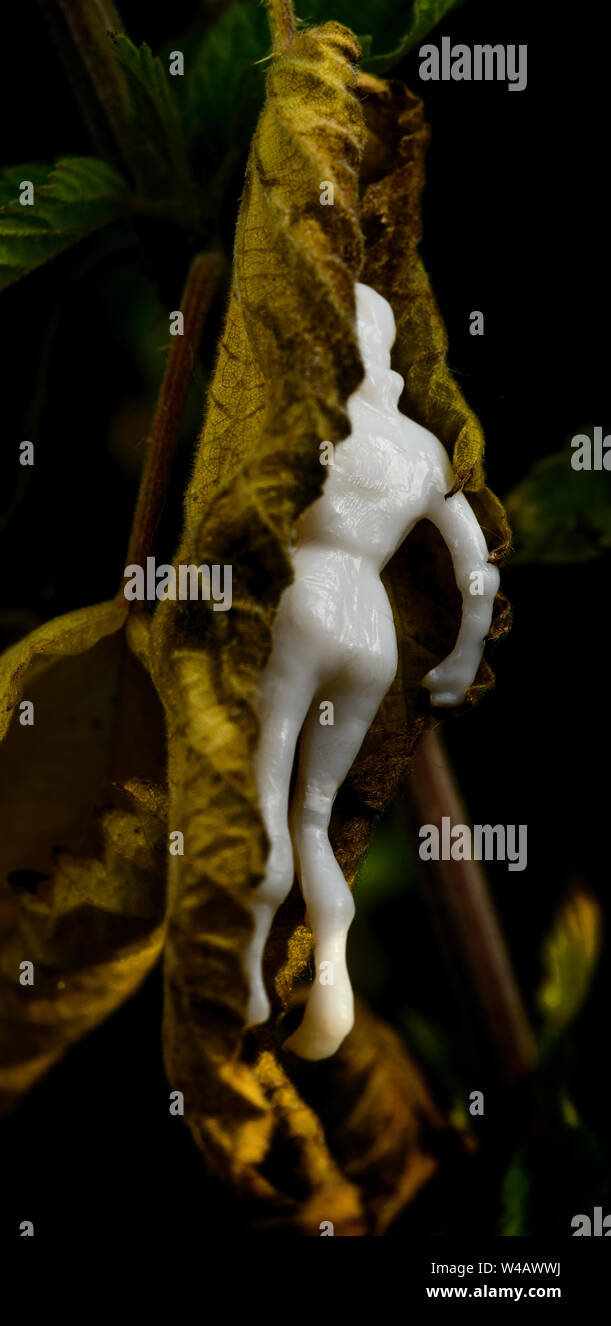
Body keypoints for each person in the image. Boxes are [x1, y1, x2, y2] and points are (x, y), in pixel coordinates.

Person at [245, 282, 500, 1060]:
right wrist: (460, 658)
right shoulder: (419, 449)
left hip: (303, 605)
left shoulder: (304, 420)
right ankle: (332, 984)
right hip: (371, 633)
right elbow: (477, 574)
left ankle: (246, 982)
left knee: (261, 789)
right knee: (313, 819)